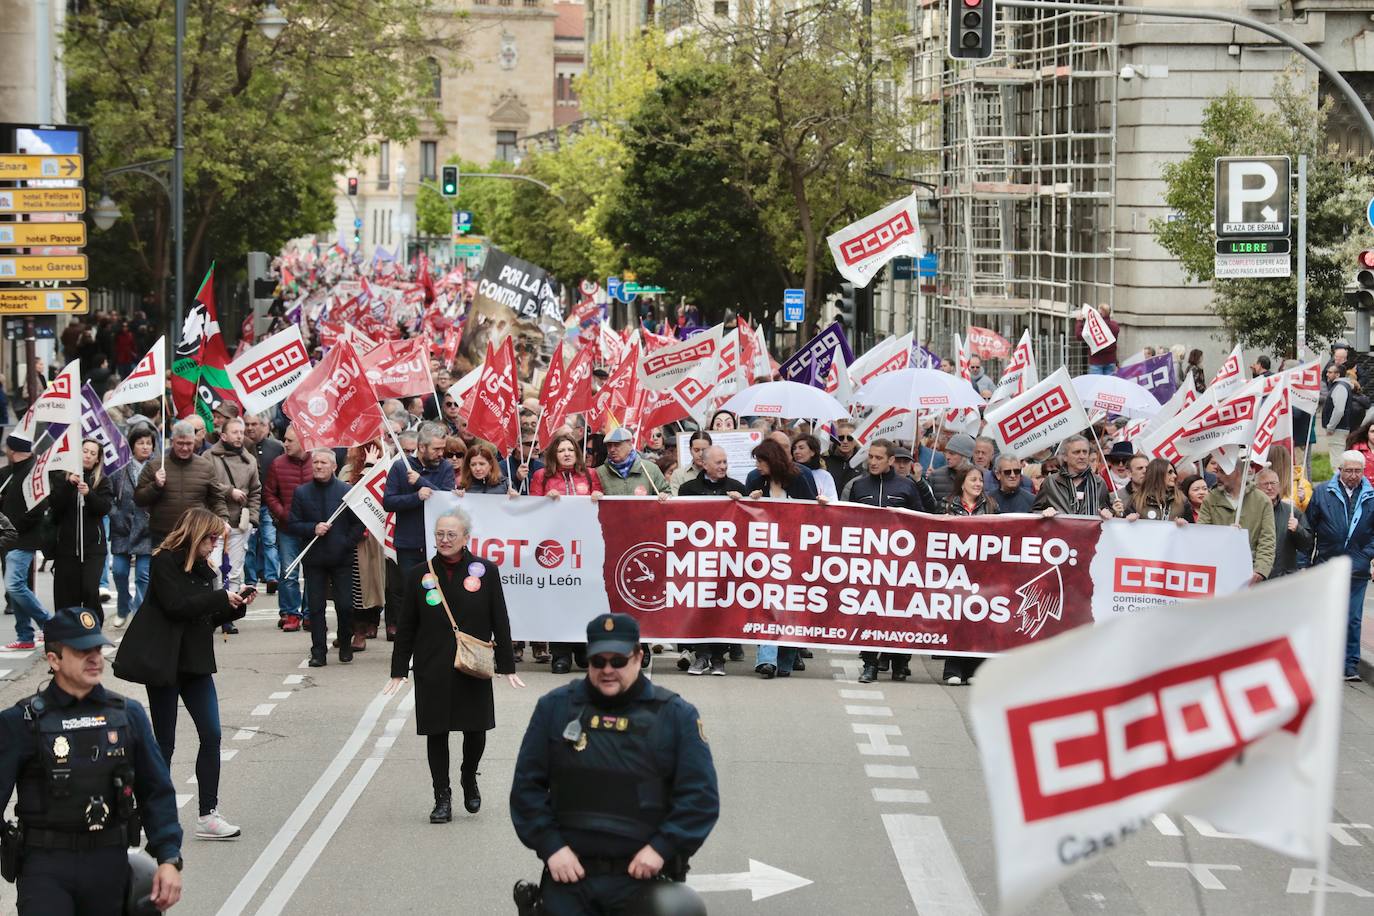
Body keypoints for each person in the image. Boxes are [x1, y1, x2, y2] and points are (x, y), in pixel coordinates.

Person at [510, 613, 718, 915]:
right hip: (570, 873)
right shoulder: (556, 708)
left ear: (638, 657)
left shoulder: (675, 715)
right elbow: (526, 788)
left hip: (641, 878)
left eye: (618, 661)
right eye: (598, 661)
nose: (608, 670)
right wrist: (550, 846)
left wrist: (661, 849)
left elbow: (700, 797)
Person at [0, 608, 184, 914]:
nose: (94, 658)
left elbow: (156, 791)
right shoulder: (21, 722)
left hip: (108, 863)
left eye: (97, 649)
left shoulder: (128, 715)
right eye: (81, 651)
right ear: (54, 660)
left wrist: (169, 859)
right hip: (45, 867)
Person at [112, 507, 254, 840]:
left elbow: (202, 618)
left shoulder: (206, 569)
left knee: (213, 733)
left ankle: (208, 814)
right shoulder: (163, 562)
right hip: (165, 663)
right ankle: (152, 813)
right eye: (211, 539)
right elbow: (177, 607)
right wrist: (219, 596)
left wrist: (235, 606)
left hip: (195, 663)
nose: (214, 545)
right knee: (165, 743)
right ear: (196, 535)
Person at [387, 509, 523, 822]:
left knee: (476, 729)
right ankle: (442, 796)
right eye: (439, 534)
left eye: (451, 535)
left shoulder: (484, 570)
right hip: (431, 664)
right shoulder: (420, 573)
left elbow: (498, 618)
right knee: (436, 732)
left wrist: (507, 665)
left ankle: (468, 775)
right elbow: (406, 625)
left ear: (465, 538)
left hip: (471, 664)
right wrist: (398, 669)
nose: (445, 540)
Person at [844, 440, 923, 685]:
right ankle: (870, 664)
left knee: (901, 614)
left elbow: (922, 521)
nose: (874, 462)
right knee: (870, 613)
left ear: (890, 460)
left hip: (901, 565)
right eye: (871, 457)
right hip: (869, 563)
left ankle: (900, 663)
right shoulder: (859, 486)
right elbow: (847, 520)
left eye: (879, 457)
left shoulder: (907, 487)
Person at [745, 439, 817, 678]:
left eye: (761, 461)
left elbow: (812, 513)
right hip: (765, 556)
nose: (757, 466)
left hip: (794, 554)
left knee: (790, 608)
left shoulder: (799, 479)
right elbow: (745, 516)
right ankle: (767, 659)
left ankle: (785, 661)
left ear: (772, 461)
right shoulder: (756, 481)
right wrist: (748, 500)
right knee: (767, 605)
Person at [288, 449, 366, 667]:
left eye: (323, 463)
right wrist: (312, 528)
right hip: (314, 559)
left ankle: (345, 642)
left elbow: (358, 524)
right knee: (315, 607)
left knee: (344, 605)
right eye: (316, 463)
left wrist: (345, 543)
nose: (318, 466)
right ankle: (318, 651)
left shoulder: (345, 492)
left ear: (333, 467)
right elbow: (292, 524)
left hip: (341, 558)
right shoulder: (302, 493)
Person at [1304, 451, 1374, 681]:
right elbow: (1309, 528)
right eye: (1349, 470)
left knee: (1353, 618)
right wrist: (1304, 562)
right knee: (1324, 614)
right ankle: (1321, 659)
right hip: (1326, 564)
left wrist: (1365, 556)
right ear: (1340, 470)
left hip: (1357, 568)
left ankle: (1349, 665)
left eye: (1357, 471)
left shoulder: (1371, 495)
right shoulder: (1323, 492)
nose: (1353, 475)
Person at [677, 446, 747, 676]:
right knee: (699, 607)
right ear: (703, 464)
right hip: (697, 559)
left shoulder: (737, 488)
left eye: (725, 462)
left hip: (727, 560)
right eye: (718, 462)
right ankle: (702, 655)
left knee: (722, 608)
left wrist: (743, 502)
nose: (723, 466)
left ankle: (718, 657)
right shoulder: (688, 489)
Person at [383, 421, 456, 628]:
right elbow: (388, 502)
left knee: (437, 595)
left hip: (438, 544)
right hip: (409, 544)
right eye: (436, 449)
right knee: (412, 594)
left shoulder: (445, 468)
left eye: (443, 448)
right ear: (422, 447)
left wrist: (422, 483)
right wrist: (416, 497)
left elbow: (446, 500)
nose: (441, 453)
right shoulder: (401, 466)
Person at [940, 465, 997, 685]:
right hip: (955, 570)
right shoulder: (947, 504)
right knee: (957, 617)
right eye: (973, 479)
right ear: (962, 482)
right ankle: (952, 668)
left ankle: (975, 670)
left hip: (984, 571)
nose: (978, 484)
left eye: (980, 480)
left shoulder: (991, 506)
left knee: (980, 617)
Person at [134, 420, 229, 547]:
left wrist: (223, 519)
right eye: (180, 443)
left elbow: (217, 499)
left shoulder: (206, 467)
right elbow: (139, 499)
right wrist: (155, 486)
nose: (185, 448)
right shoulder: (155, 465)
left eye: (189, 443)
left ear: (194, 441)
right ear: (172, 441)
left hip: (195, 534)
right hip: (162, 535)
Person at [48, 439, 114, 616]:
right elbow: (55, 505)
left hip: (93, 548)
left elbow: (104, 508)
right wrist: (69, 484)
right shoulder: (62, 477)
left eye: (93, 453)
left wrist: (89, 494)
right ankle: (68, 637)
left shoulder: (102, 481)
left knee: (90, 591)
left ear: (98, 459)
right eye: (85, 451)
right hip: (66, 548)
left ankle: (94, 635)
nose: (88, 456)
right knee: (66, 596)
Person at [208, 416, 261, 634]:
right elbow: (207, 485)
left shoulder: (249, 460)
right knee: (215, 568)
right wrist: (229, 491)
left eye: (241, 432)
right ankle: (213, 610)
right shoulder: (209, 457)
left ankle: (228, 615)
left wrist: (253, 519)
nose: (240, 435)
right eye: (235, 432)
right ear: (223, 435)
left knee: (236, 572)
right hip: (215, 523)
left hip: (240, 524)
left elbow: (256, 491)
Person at [264, 425, 314, 631]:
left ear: (303, 441)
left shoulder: (317, 462)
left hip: (312, 529)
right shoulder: (278, 464)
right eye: (284, 439)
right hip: (287, 528)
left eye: (289, 440)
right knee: (289, 572)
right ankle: (291, 613)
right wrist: (283, 513)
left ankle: (310, 613)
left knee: (313, 572)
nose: (284, 443)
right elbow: (269, 494)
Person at [1196, 455, 1275, 584]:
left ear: (1236, 472)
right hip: (1219, 574)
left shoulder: (1262, 501)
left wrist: (1260, 571)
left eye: (1222, 472)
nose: (1218, 476)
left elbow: (1267, 540)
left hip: (1250, 574)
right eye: (1217, 472)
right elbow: (1202, 535)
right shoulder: (1210, 499)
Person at [1, 435, 48, 649]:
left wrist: (14, 528)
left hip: (23, 538)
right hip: (9, 539)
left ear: (13, 449)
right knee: (15, 586)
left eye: (7, 446)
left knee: (14, 584)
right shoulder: (9, 473)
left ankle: (49, 624)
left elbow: (38, 508)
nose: (4, 449)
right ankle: (25, 635)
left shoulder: (34, 472)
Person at [342, 442, 388, 651]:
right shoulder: (347, 471)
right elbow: (347, 499)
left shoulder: (382, 472)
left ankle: (360, 631)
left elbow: (374, 499)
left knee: (364, 589)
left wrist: (370, 469)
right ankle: (346, 630)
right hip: (346, 536)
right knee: (345, 589)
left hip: (369, 540)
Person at [109, 426, 155, 628]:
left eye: (149, 443)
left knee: (144, 575)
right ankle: (123, 606)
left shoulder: (157, 468)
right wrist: (115, 516)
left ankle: (139, 613)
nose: (145, 447)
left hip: (147, 529)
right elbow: (108, 496)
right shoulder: (120, 468)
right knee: (119, 571)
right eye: (140, 443)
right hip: (123, 527)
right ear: (132, 446)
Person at [243, 412, 283, 595]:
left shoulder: (276, 447)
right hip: (246, 504)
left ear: (264, 426)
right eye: (247, 424)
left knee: (269, 541)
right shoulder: (240, 447)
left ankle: (272, 577)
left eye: (254, 424)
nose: (250, 428)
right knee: (249, 544)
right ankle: (250, 580)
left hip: (268, 503)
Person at [1033, 435, 1118, 519]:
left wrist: (1110, 512)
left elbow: (1107, 511)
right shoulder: (1051, 482)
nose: (1082, 456)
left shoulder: (1099, 482)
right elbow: (1034, 513)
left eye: (1085, 452)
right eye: (1077, 452)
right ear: (1065, 457)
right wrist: (1044, 512)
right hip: (1061, 532)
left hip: (1091, 532)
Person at [1256, 467, 1312, 578]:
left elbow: (1307, 545)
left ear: (1279, 485)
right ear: (1257, 487)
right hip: (1258, 577)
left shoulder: (1292, 512)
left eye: (1273, 483)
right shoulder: (1250, 511)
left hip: (1284, 577)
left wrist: (1298, 530)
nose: (1270, 487)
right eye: (1265, 484)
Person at [597, 427, 669, 497]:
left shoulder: (650, 469)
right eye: (609, 446)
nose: (612, 449)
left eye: (617, 445)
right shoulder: (600, 473)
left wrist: (664, 495)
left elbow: (667, 494)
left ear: (629, 445)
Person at [531, 434, 603, 499]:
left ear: (577, 453)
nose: (567, 454)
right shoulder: (541, 475)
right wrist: (546, 499)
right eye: (561, 451)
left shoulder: (590, 473)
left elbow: (600, 504)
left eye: (571, 450)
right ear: (554, 455)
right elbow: (534, 505)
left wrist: (598, 495)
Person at [930, 433, 977, 503]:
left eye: (952, 453)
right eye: (946, 452)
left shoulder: (981, 476)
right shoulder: (935, 476)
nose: (947, 457)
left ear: (965, 456)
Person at [1074, 303, 1120, 374]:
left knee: (1097, 384)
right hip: (1111, 361)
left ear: (1101, 313)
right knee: (1109, 384)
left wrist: (1079, 321)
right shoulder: (1115, 326)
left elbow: (1079, 336)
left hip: (1096, 362)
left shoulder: (1093, 327)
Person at [791, 433, 837, 501]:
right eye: (794, 449)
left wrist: (825, 500)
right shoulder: (789, 474)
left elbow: (833, 500)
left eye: (801, 448)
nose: (796, 452)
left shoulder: (824, 476)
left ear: (812, 452)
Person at [669, 431, 712, 496]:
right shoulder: (678, 475)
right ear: (690, 450)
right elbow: (675, 501)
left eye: (704, 450)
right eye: (696, 450)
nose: (700, 454)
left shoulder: (719, 473)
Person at [824, 420, 860, 493]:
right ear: (835, 439)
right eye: (841, 438)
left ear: (856, 441)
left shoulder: (862, 462)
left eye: (850, 438)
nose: (845, 441)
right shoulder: (824, 460)